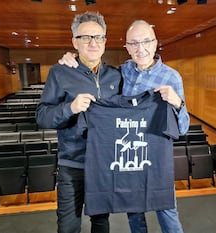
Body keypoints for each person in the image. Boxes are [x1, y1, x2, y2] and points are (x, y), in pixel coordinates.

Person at [59, 20, 189, 233]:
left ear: (155, 43)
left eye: (146, 41)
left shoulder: (171, 77)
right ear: (127, 47)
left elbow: (182, 128)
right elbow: (96, 75)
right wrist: (73, 58)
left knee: (167, 212)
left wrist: (177, 103)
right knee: (134, 214)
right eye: (134, 43)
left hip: (155, 159)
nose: (141, 48)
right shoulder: (123, 72)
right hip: (128, 158)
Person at [36, 11, 123, 233]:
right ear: (75, 41)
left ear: (105, 41)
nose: (93, 42)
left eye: (98, 37)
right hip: (72, 164)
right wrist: (70, 108)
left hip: (104, 163)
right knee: (68, 226)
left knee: (101, 223)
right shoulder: (60, 72)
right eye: (86, 37)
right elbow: (42, 116)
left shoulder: (116, 76)